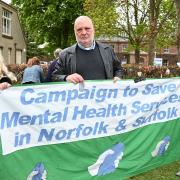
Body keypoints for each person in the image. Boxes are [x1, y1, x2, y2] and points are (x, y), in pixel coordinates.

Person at [52, 16, 124, 83]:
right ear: (75, 32)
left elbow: (119, 69)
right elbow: (54, 77)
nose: (84, 32)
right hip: (78, 96)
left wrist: (118, 77)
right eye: (79, 29)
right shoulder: (65, 54)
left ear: (93, 30)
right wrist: (66, 78)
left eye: (87, 28)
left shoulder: (108, 50)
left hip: (105, 95)